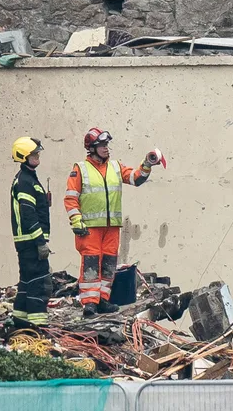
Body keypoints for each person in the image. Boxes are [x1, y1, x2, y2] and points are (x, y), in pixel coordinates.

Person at [64, 128, 156, 318]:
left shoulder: (115, 167)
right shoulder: (80, 169)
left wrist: (147, 164)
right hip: (89, 228)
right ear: (92, 148)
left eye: (106, 145)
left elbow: (135, 178)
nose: (106, 149)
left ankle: (103, 300)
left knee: (108, 264)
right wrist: (76, 221)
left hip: (111, 227)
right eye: (102, 145)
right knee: (91, 265)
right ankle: (89, 303)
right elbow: (71, 198)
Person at [10, 137, 52, 329]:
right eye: (34, 153)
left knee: (27, 282)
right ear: (24, 157)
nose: (37, 156)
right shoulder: (26, 181)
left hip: (27, 242)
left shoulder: (28, 178)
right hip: (31, 242)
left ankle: (20, 320)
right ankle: (38, 326)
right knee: (38, 283)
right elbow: (28, 214)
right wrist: (40, 241)